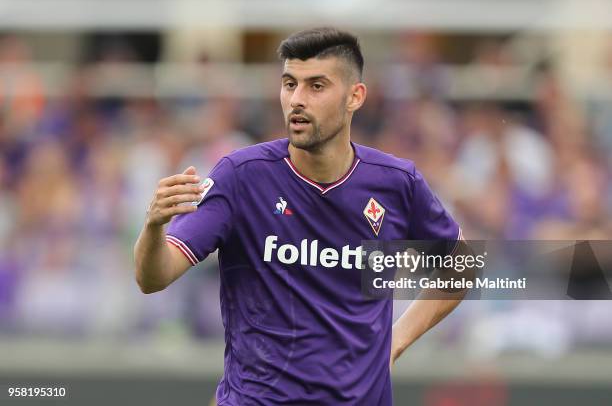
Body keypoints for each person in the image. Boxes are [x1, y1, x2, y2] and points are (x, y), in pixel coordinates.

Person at [134, 27, 464, 405]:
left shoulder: (395, 183)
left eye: (316, 86)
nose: (297, 100)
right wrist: (154, 227)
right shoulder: (241, 176)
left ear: (355, 97)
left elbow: (461, 263)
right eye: (290, 84)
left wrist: (395, 342)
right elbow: (153, 277)